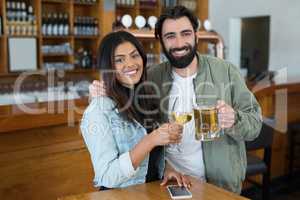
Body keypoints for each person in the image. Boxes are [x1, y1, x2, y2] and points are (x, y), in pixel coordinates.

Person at [90, 6, 262, 194]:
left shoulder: (226, 72)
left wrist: (234, 120)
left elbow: (254, 125)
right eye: (170, 36)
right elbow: (124, 103)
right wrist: (100, 93)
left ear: (196, 35)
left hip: (219, 186)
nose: (179, 43)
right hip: (168, 184)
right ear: (161, 41)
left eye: (185, 33)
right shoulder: (151, 77)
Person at [80, 31, 189, 189]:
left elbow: (152, 156)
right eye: (119, 60)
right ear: (108, 67)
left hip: (151, 192)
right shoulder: (98, 110)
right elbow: (107, 176)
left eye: (134, 55)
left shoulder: (146, 98)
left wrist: (166, 169)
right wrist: (150, 140)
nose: (130, 64)